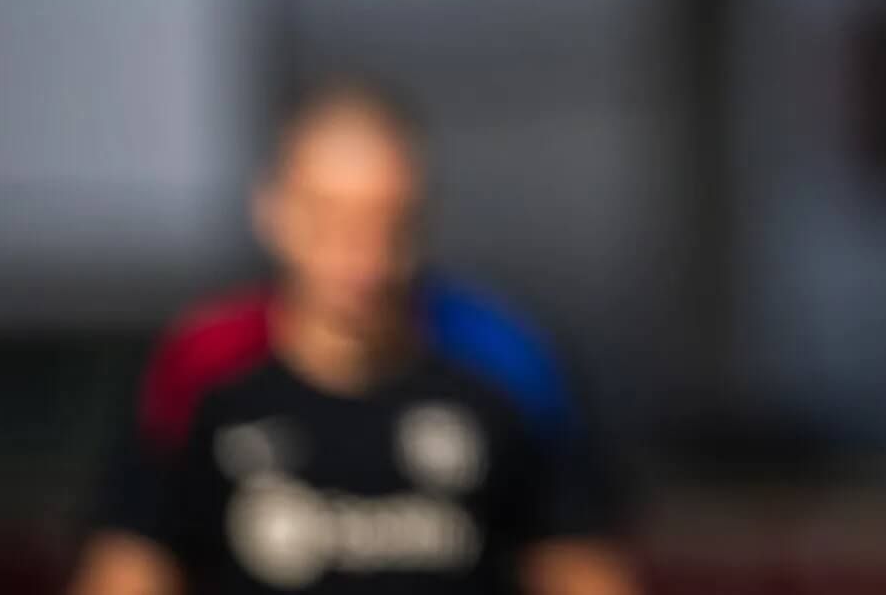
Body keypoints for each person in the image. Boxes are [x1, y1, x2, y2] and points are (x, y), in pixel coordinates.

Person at [71, 79, 634, 595]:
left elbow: (581, 568)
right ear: (274, 212)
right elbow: (126, 567)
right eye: (330, 220)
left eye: (387, 223)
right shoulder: (200, 367)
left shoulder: (510, 363)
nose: (361, 255)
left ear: (424, 219)